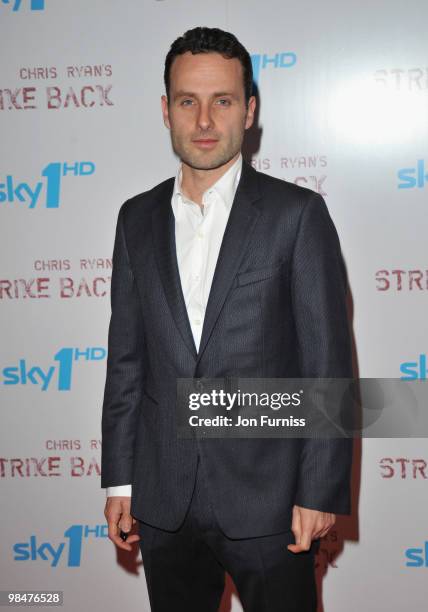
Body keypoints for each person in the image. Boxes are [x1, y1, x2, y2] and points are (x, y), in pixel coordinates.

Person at [101, 26, 353, 612]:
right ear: (166, 111)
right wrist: (119, 479)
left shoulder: (297, 215)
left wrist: (318, 491)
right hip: (163, 501)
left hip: (270, 500)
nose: (206, 120)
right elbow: (126, 363)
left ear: (250, 109)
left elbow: (327, 365)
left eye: (223, 101)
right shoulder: (134, 219)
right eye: (188, 101)